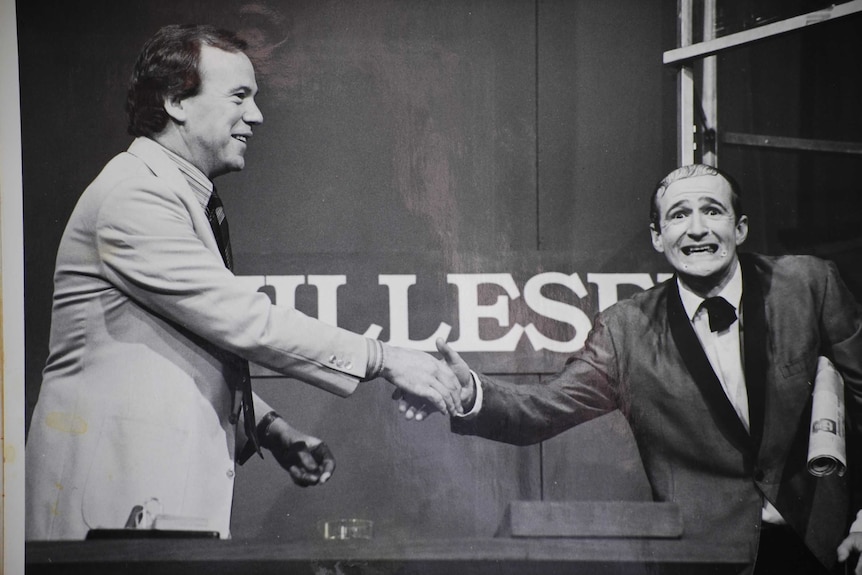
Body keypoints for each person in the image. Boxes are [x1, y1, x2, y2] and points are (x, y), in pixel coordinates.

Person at [25, 23, 462, 541]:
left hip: (142, 516)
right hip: (107, 518)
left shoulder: (176, 194)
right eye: (239, 96)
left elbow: (177, 347)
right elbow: (242, 319)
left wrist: (271, 431)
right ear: (175, 102)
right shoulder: (132, 196)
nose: (255, 115)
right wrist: (386, 358)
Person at [400, 164, 862, 574]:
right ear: (658, 237)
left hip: (828, 548)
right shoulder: (626, 329)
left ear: (739, 227)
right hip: (710, 560)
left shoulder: (808, 285)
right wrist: (469, 395)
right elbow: (544, 407)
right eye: (679, 215)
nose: (697, 229)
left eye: (712, 211)